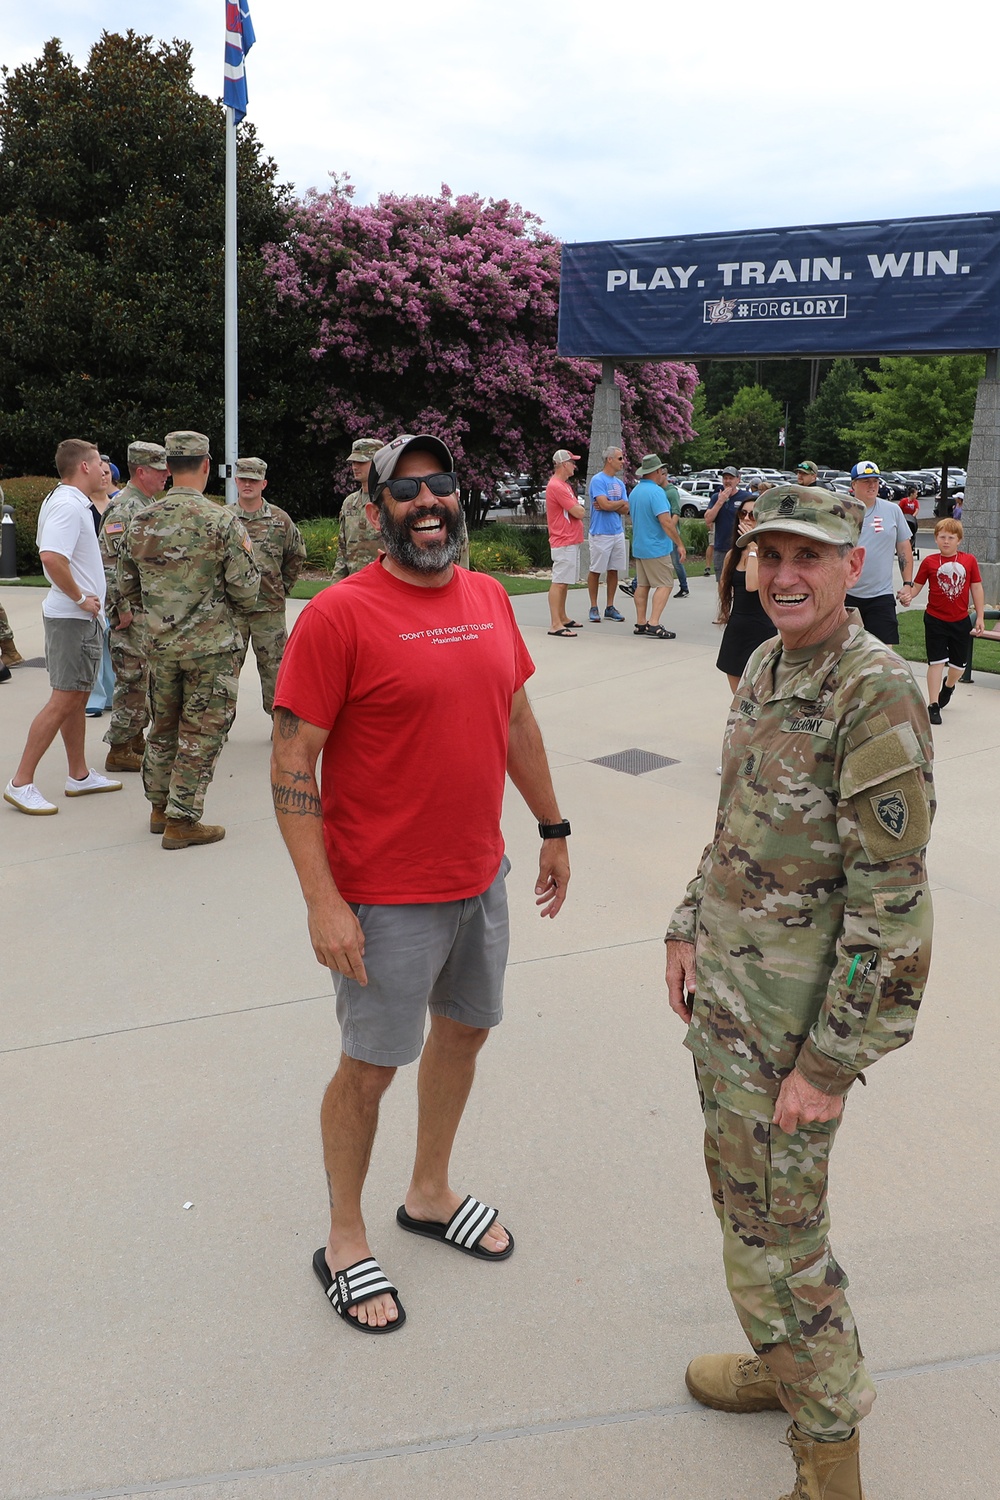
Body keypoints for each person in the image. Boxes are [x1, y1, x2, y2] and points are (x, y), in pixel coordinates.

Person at [664, 483, 934, 1500]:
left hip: (794, 1026)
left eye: (806, 557)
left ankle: (828, 1454)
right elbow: (737, 815)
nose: (783, 574)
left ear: (849, 563)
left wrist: (829, 1062)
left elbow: (891, 906)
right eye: (764, 554)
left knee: (778, 1231)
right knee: (744, 1208)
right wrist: (689, 921)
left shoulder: (874, 689)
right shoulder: (771, 662)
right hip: (730, 1000)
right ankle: (784, 1366)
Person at [270, 432, 570, 1335]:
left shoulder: (485, 596)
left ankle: (429, 1194)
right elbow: (292, 766)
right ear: (376, 511)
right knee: (369, 1068)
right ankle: (346, 1238)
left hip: (480, 875)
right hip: (383, 896)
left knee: (467, 1034)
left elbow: (514, 712)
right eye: (406, 491)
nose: (428, 502)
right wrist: (323, 900)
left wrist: (552, 826)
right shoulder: (338, 616)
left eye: (440, 484)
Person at [117, 431, 261, 849]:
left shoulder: (141, 518)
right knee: (201, 732)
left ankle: (159, 809)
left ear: (169, 468)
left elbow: (125, 586)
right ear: (205, 466)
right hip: (210, 650)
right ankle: (183, 818)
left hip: (159, 648)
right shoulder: (221, 520)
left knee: (161, 729)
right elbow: (247, 590)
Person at [4, 439, 123, 815]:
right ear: (83, 467)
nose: (104, 470)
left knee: (76, 696)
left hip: (77, 619)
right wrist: (80, 598)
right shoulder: (69, 506)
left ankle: (79, 774)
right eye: (97, 463)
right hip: (72, 618)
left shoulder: (70, 501)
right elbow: (52, 558)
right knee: (64, 699)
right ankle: (21, 782)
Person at [99, 442, 170, 773]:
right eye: (160, 469)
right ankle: (119, 748)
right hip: (131, 613)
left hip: (147, 610)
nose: (166, 474)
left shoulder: (147, 503)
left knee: (143, 678)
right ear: (141, 472)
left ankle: (134, 737)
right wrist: (120, 609)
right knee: (131, 678)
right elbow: (109, 565)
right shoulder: (125, 509)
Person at [231, 457, 306, 716]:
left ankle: (279, 724)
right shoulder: (225, 518)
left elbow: (296, 555)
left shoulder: (279, 519)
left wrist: (282, 587)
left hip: (269, 611)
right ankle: (218, 726)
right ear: (236, 481)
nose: (248, 484)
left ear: (263, 483)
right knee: (224, 672)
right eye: (243, 479)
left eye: (253, 480)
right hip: (232, 610)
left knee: (276, 671)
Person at [898, 517, 984, 724]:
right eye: (942, 537)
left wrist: (980, 616)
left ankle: (949, 686)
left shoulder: (969, 560)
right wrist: (907, 594)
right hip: (935, 619)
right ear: (936, 539)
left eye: (951, 537)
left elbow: (976, 587)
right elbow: (917, 586)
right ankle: (933, 704)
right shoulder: (929, 562)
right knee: (936, 662)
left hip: (960, 620)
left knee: (958, 667)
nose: (946, 541)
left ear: (959, 540)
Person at [846, 460, 914, 644]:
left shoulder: (892, 511)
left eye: (875, 480)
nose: (872, 485)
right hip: (846, 593)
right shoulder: (843, 511)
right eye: (866, 480)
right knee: (844, 652)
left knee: (884, 653)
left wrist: (907, 583)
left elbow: (903, 547)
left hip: (880, 595)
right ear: (853, 485)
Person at [714, 495, 776, 691]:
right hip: (737, 629)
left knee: (760, 696)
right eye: (743, 513)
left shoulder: (768, 555)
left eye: (753, 514)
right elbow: (724, 584)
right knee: (738, 697)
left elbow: (752, 585)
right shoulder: (733, 555)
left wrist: (752, 547)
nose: (747, 518)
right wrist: (724, 611)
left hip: (762, 630)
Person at [627, 454, 686, 638]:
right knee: (665, 584)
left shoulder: (635, 492)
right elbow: (666, 522)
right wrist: (680, 544)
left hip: (640, 546)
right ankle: (654, 623)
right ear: (657, 471)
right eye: (661, 470)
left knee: (642, 585)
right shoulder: (657, 492)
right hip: (656, 546)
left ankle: (641, 622)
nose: (663, 473)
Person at [84, 455, 117, 719]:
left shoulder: (118, 507)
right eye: (100, 471)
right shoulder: (82, 507)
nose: (104, 476)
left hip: (116, 583)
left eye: (108, 473)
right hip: (92, 583)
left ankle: (111, 692)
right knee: (94, 640)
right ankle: (95, 696)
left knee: (112, 641)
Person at [544, 448, 586, 637]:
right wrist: (579, 508)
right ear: (563, 464)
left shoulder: (565, 486)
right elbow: (578, 512)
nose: (574, 466)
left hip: (570, 540)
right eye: (572, 462)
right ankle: (555, 623)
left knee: (565, 581)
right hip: (563, 540)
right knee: (559, 581)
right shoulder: (557, 486)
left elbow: (577, 509)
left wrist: (578, 508)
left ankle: (562, 616)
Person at [330, 438, 384, 581]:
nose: (355, 466)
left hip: (382, 585)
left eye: (361, 462)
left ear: (378, 463)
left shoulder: (390, 501)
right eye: (353, 462)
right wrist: (336, 585)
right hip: (354, 585)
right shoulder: (349, 503)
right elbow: (342, 550)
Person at [586, 446, 629, 623]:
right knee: (596, 570)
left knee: (614, 570)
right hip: (600, 533)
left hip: (617, 533)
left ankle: (610, 607)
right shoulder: (598, 481)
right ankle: (594, 606)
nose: (623, 462)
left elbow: (626, 508)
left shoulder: (620, 484)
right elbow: (603, 505)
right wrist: (616, 504)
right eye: (620, 458)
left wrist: (613, 503)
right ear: (609, 459)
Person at [706, 466, 754, 591]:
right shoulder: (716, 497)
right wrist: (720, 502)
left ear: (738, 480)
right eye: (725, 478)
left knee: (740, 583)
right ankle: (725, 609)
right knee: (723, 585)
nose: (727, 481)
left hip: (741, 546)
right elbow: (708, 519)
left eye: (731, 478)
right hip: (721, 547)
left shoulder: (746, 497)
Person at [898, 483, 921, 558]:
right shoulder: (904, 501)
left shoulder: (915, 502)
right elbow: (899, 509)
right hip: (904, 519)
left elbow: (917, 509)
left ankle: (912, 546)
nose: (916, 495)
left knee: (913, 533)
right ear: (911, 494)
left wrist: (913, 516)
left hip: (912, 520)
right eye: (915, 494)